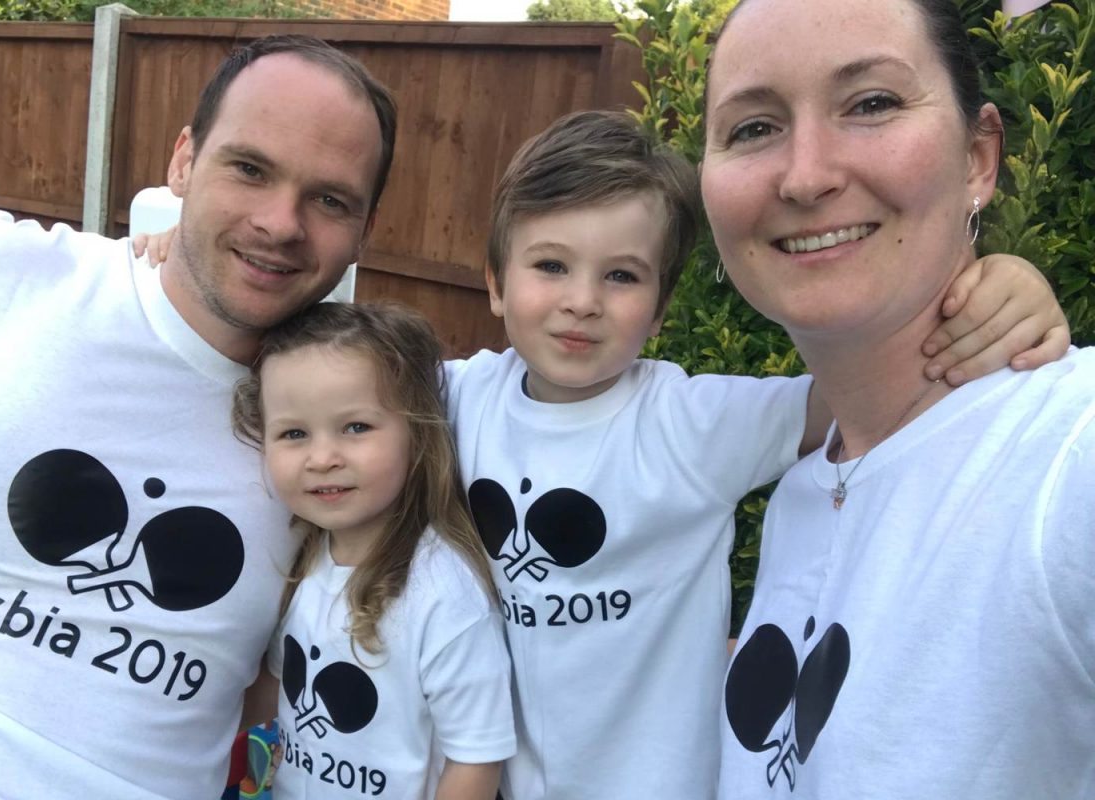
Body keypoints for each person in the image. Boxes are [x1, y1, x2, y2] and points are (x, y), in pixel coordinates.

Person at [441, 109, 1070, 800]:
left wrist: (995, 297)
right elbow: (337, 374)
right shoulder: (461, 395)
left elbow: (866, 385)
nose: (582, 301)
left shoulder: (689, 422)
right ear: (496, 282)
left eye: (621, 276)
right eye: (551, 265)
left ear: (658, 312)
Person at [0, 34, 396, 798]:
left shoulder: (362, 430)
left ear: (365, 230)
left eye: (330, 199)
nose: (281, 222)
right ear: (184, 162)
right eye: (250, 168)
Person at [700, 1, 1095, 797]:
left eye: (872, 103)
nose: (806, 175)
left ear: (980, 158)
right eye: (752, 128)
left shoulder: (1069, 456)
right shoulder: (807, 491)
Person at [231, 301, 515, 800]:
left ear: (418, 433)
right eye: (294, 433)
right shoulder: (302, 557)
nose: (322, 458)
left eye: (356, 427)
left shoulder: (445, 596)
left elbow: (476, 761)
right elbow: (270, 694)